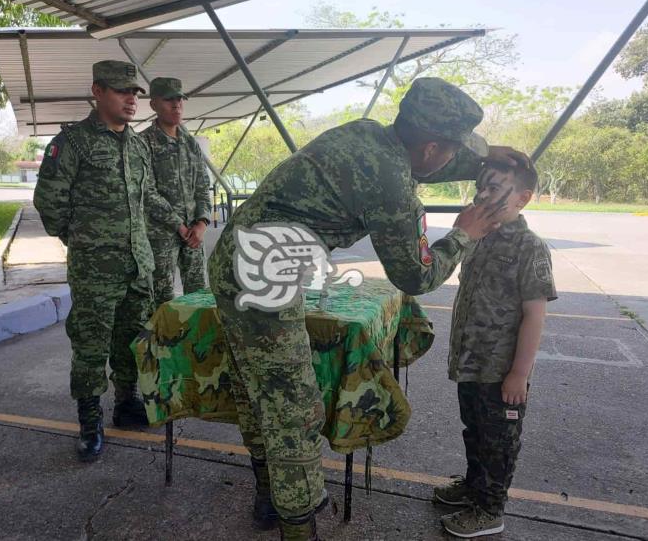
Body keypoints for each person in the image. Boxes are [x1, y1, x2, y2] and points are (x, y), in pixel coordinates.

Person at [207, 77, 530, 540]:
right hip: (262, 279)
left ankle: (270, 495)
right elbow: (417, 277)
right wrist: (463, 233)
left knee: (260, 389)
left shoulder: (369, 134)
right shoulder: (392, 185)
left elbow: (426, 161)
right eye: (453, 149)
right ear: (433, 146)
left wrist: (483, 154)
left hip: (244, 259)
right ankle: (297, 525)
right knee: (293, 409)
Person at [34, 60, 157, 462]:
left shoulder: (139, 145)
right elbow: (50, 202)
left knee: (133, 340)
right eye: (122, 91)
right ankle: (90, 420)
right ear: (97, 91)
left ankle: (126, 403)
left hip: (137, 265)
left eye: (135, 92)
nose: (131, 99)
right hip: (94, 269)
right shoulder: (73, 142)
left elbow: (143, 201)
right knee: (91, 344)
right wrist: (81, 240)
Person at [433, 161, 557, 538]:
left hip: (501, 371)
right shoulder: (478, 236)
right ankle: (473, 488)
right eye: (481, 189)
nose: (483, 196)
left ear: (523, 198)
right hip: (471, 362)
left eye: (495, 189)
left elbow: (534, 315)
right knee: (475, 430)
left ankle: (489, 510)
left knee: (498, 443)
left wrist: (519, 374)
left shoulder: (528, 246)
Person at [140, 77, 211, 305]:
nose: (176, 105)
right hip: (161, 236)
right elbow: (146, 191)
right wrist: (178, 225)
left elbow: (202, 185)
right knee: (162, 300)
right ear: (153, 105)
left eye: (180, 99)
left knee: (198, 296)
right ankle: (164, 341)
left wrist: (202, 223)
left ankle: (197, 340)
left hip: (193, 235)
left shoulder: (190, 144)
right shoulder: (143, 143)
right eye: (169, 100)